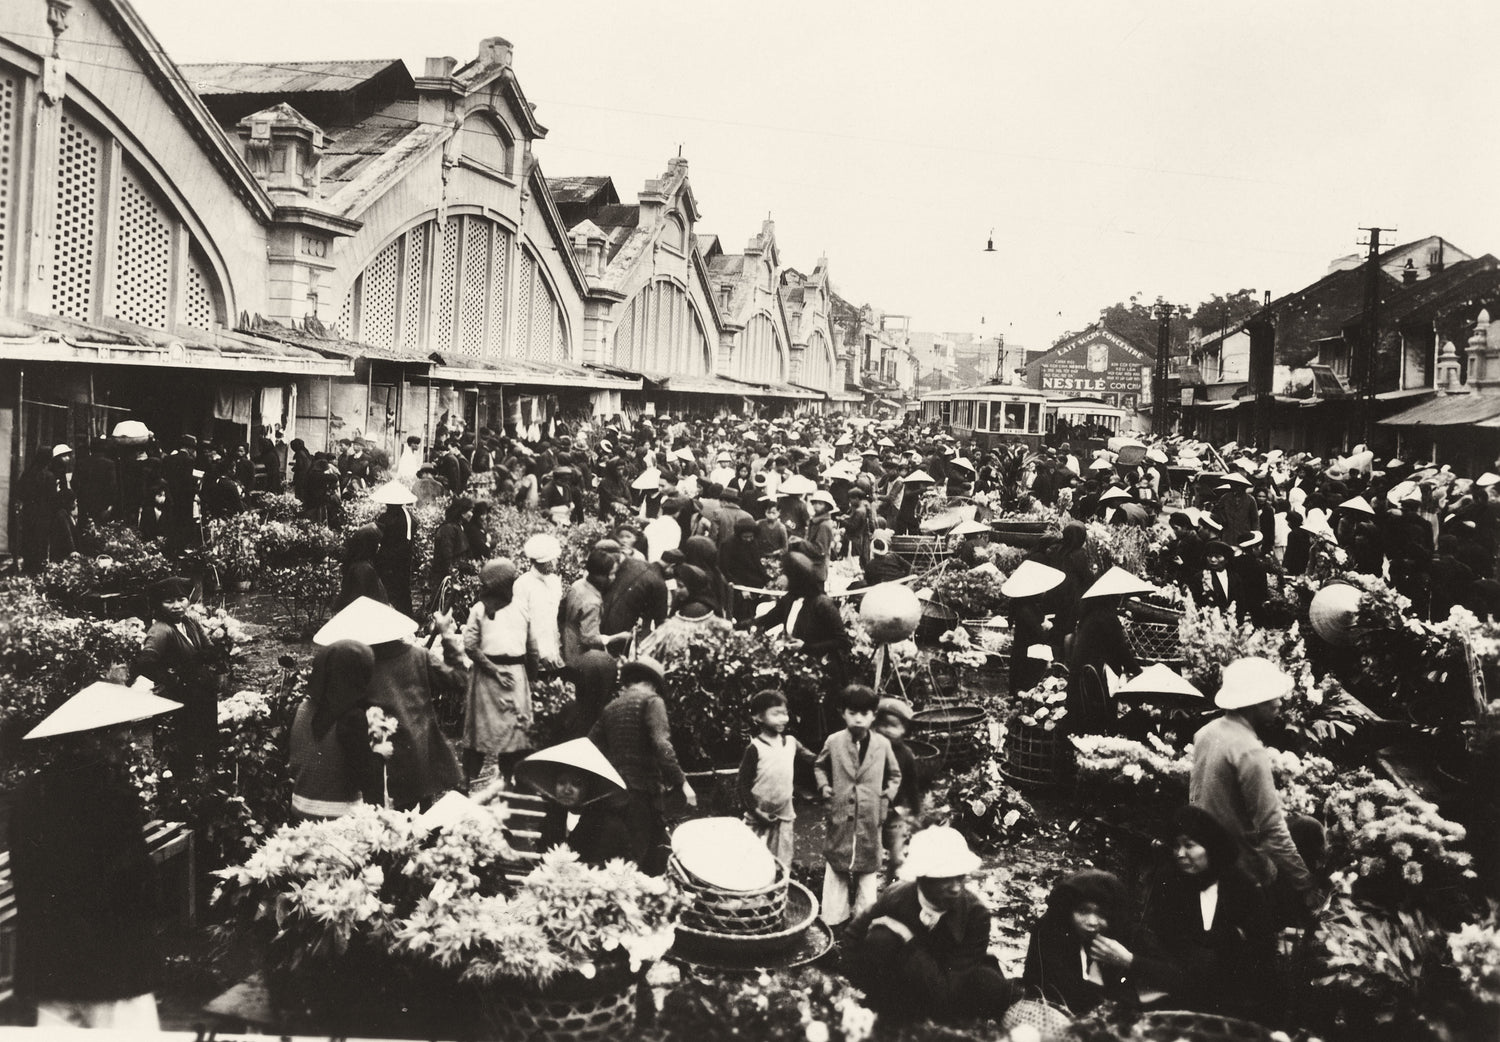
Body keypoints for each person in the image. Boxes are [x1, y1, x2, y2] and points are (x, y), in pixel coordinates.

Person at [10, 682, 182, 1029]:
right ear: (85, 740)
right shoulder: (113, 796)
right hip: (111, 968)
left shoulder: (30, 793)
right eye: (113, 732)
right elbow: (134, 881)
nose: (124, 740)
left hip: (53, 965)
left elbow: (25, 877)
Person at [1190, 657, 1322, 924]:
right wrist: (1307, 885)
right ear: (1253, 702)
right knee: (1304, 844)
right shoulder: (1249, 750)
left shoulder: (1206, 732)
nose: (1279, 703)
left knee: (1305, 826)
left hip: (1206, 847)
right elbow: (1272, 831)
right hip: (1239, 866)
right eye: (1272, 697)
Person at [844, 826, 1017, 1022]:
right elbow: (851, 938)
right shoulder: (896, 896)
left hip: (949, 990)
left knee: (987, 983)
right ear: (922, 879)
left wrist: (909, 940)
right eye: (945, 879)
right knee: (880, 939)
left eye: (960, 877)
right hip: (904, 983)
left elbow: (946, 993)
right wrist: (858, 990)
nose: (956, 887)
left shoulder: (976, 916)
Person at [313, 597, 463, 811]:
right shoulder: (418, 655)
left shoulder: (356, 666)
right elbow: (460, 680)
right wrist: (447, 635)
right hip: (423, 758)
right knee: (424, 826)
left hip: (385, 766)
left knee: (394, 832)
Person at [1132, 806, 1277, 1021]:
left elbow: (1263, 947)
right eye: (1176, 846)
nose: (1180, 854)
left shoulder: (1240, 885)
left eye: (1189, 846)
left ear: (1211, 847)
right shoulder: (1169, 882)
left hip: (1234, 993)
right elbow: (1163, 938)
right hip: (1180, 988)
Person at [588, 657, 697, 874]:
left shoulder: (611, 707)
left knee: (622, 856)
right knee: (640, 858)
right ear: (655, 683)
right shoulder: (652, 701)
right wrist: (682, 782)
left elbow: (590, 746)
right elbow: (662, 744)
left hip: (615, 791)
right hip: (642, 792)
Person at [815, 684, 902, 928]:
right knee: (837, 864)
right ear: (842, 713)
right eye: (853, 712)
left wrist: (887, 796)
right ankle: (834, 917)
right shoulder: (833, 742)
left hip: (870, 813)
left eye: (865, 713)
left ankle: (865, 917)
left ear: (874, 716)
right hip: (840, 811)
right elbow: (819, 765)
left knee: (868, 866)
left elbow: (895, 774)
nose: (859, 718)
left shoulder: (882, 745)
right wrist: (824, 787)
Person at [754, 546, 850, 743]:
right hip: (798, 668)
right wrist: (741, 625)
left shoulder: (822, 604)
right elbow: (769, 619)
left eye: (786, 575)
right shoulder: (790, 599)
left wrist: (806, 647)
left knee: (820, 725)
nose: (783, 579)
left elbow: (842, 641)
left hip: (823, 672)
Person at [133, 576, 218, 775]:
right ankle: (183, 785)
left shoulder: (190, 623)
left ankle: (209, 777)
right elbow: (145, 662)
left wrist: (203, 658)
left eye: (181, 599)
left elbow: (210, 649)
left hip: (200, 692)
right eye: (169, 601)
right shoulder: (161, 630)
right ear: (158, 604)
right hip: (178, 698)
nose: (177, 606)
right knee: (181, 747)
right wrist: (172, 678)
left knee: (208, 738)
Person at [1021, 869, 1136, 1015]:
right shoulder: (1049, 930)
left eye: (1101, 914)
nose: (1092, 922)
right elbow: (1052, 990)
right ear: (1068, 911)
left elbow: (1169, 976)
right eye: (1082, 911)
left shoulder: (1123, 930)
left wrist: (1129, 960)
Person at [460, 559, 533, 786]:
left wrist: (493, 670)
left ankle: (467, 779)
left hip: (487, 676)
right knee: (514, 731)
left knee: (479, 731)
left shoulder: (480, 609)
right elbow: (532, 648)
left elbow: (470, 646)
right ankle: (509, 778)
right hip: (513, 677)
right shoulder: (520, 607)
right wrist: (530, 678)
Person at [289, 640, 377, 819]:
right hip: (338, 818)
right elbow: (364, 778)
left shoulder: (303, 709)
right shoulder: (352, 717)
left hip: (299, 808)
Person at [513, 739, 633, 867]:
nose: (567, 790)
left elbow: (620, 866)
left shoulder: (608, 825)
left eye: (576, 784)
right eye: (561, 782)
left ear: (589, 789)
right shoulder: (551, 821)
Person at [736, 689, 816, 867]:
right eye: (776, 714)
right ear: (758, 718)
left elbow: (814, 759)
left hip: (784, 815)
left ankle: (778, 892)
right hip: (757, 815)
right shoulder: (755, 748)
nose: (782, 718)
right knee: (749, 858)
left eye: (785, 713)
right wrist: (756, 811)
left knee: (781, 861)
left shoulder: (791, 742)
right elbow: (742, 784)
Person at [561, 548, 630, 734]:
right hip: (578, 651)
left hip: (567, 640)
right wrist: (619, 637)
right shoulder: (592, 602)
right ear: (600, 576)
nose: (613, 578)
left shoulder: (578, 585)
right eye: (611, 574)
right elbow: (589, 638)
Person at [875, 697, 923, 882]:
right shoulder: (872, 750)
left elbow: (912, 784)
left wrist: (916, 811)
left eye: (893, 726)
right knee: (874, 854)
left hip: (896, 812)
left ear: (904, 729)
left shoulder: (906, 754)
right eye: (883, 725)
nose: (887, 730)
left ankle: (889, 885)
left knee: (896, 857)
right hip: (874, 810)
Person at [1002, 560, 1068, 694]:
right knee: (1025, 692)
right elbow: (1039, 634)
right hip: (1027, 658)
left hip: (1024, 654)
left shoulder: (1024, 605)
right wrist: (1047, 628)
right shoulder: (1026, 610)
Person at [514, 534, 565, 670]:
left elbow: (553, 619)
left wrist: (556, 650)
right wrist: (541, 653)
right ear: (539, 562)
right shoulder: (523, 584)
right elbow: (523, 624)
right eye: (551, 560)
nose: (555, 563)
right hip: (534, 654)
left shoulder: (554, 581)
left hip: (555, 651)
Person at [371, 480, 417, 617]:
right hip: (404, 557)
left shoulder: (386, 518)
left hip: (388, 559)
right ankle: (407, 616)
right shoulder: (409, 516)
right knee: (403, 589)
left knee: (389, 591)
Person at [335, 524, 388, 610]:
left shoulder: (361, 566)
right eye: (376, 543)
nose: (379, 546)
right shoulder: (363, 569)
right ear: (368, 545)